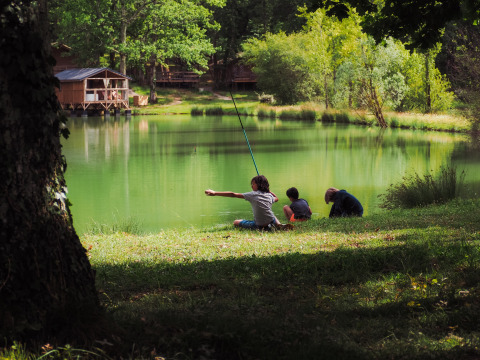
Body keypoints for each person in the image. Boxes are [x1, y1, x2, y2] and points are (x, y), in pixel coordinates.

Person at [205, 175, 293, 230]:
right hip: (271, 221)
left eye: (253, 184)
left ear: (258, 185)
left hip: (259, 225)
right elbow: (276, 198)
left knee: (236, 222)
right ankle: (279, 225)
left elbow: (233, 194)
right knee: (271, 214)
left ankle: (275, 226)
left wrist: (215, 193)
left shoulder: (252, 195)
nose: (251, 185)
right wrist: (269, 191)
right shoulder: (269, 196)